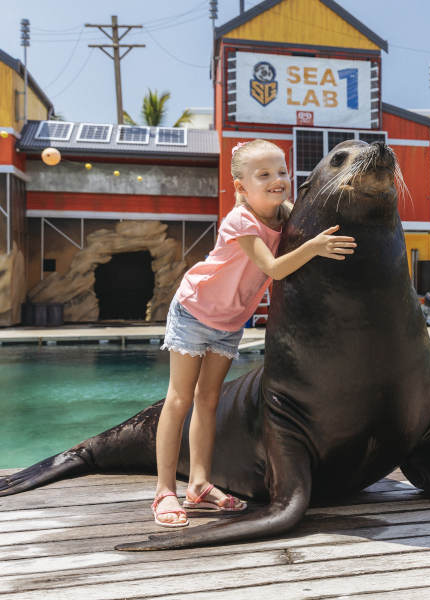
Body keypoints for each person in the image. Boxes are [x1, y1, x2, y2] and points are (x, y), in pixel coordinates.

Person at [150, 139, 356, 527]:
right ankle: (164, 491)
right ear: (242, 187)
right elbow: (275, 268)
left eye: (282, 172)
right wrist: (314, 246)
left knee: (208, 401)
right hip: (195, 310)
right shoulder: (240, 221)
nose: (277, 180)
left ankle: (199, 484)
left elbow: (314, 219)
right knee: (179, 400)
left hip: (229, 322)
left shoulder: (286, 214)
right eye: (264, 175)